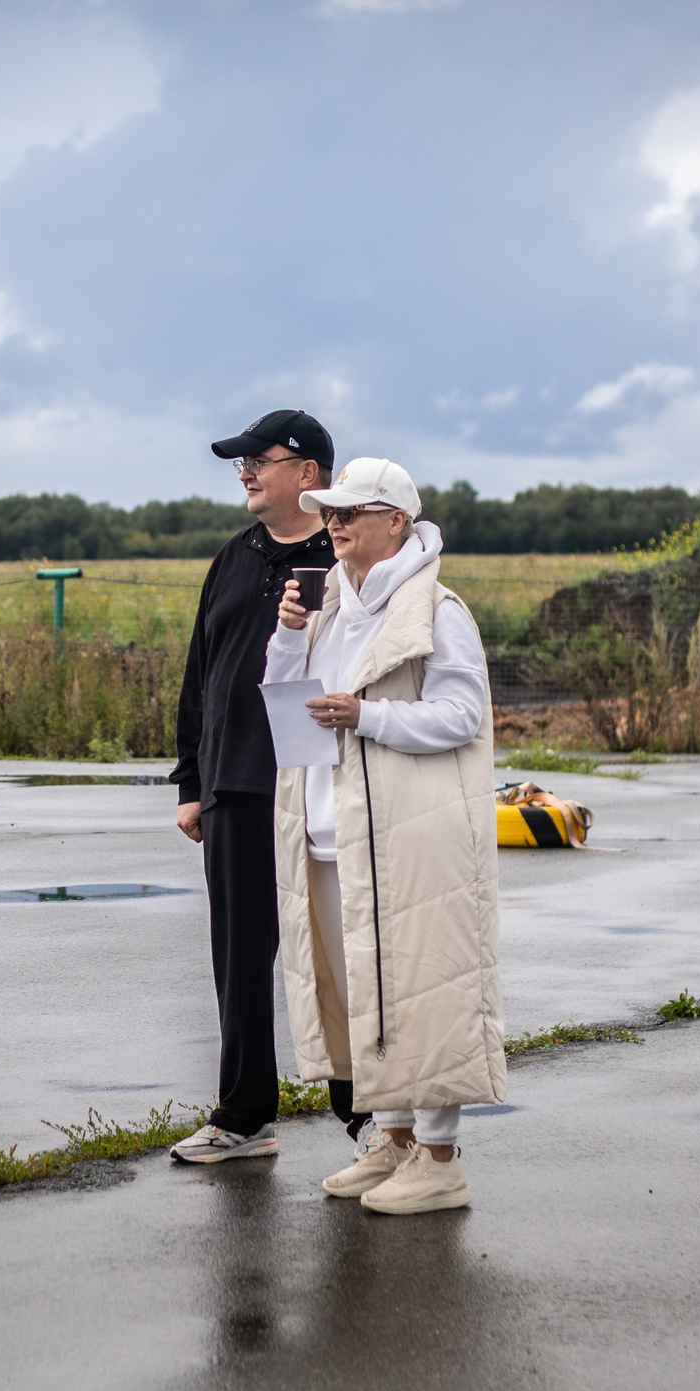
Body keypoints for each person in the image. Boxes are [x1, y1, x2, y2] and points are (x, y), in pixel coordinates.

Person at [261, 457, 506, 1214]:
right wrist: (285, 637)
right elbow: (293, 704)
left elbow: (462, 716)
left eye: (350, 513)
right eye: (329, 513)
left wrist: (368, 718)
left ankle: (440, 1159)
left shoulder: (437, 609)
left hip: (411, 838)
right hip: (335, 837)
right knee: (369, 998)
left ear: (396, 521)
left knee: (425, 994)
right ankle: (394, 1142)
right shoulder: (335, 605)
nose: (333, 524)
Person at [166, 410, 344, 1164]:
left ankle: (364, 1117)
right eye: (239, 462)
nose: (244, 471)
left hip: (321, 787)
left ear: (307, 473)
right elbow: (200, 673)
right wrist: (191, 780)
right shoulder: (233, 556)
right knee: (238, 955)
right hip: (236, 783)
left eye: (258, 460)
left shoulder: (347, 557)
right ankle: (242, 1116)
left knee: (335, 952)